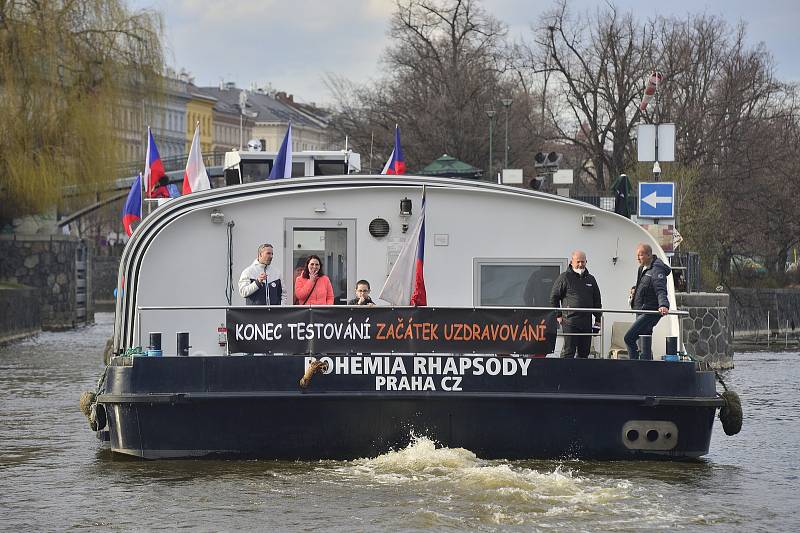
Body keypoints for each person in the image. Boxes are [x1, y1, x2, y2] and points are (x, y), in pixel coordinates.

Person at [549, 250, 602, 358]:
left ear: (586, 262)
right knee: (569, 351)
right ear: (572, 262)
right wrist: (558, 315)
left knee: (584, 352)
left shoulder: (591, 279)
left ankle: (581, 374)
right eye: (578, 261)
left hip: (586, 321)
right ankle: (564, 374)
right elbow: (553, 298)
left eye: (583, 262)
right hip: (570, 321)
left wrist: (597, 320)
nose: (580, 264)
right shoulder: (564, 277)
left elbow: (597, 300)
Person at [624, 243, 671, 360]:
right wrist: (636, 289)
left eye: (640, 255)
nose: (637, 258)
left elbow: (660, 289)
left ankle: (634, 365)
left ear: (649, 255)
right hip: (640, 310)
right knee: (644, 343)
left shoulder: (656, 269)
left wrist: (664, 305)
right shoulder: (642, 268)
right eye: (637, 255)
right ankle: (646, 368)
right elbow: (644, 284)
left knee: (629, 338)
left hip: (649, 312)